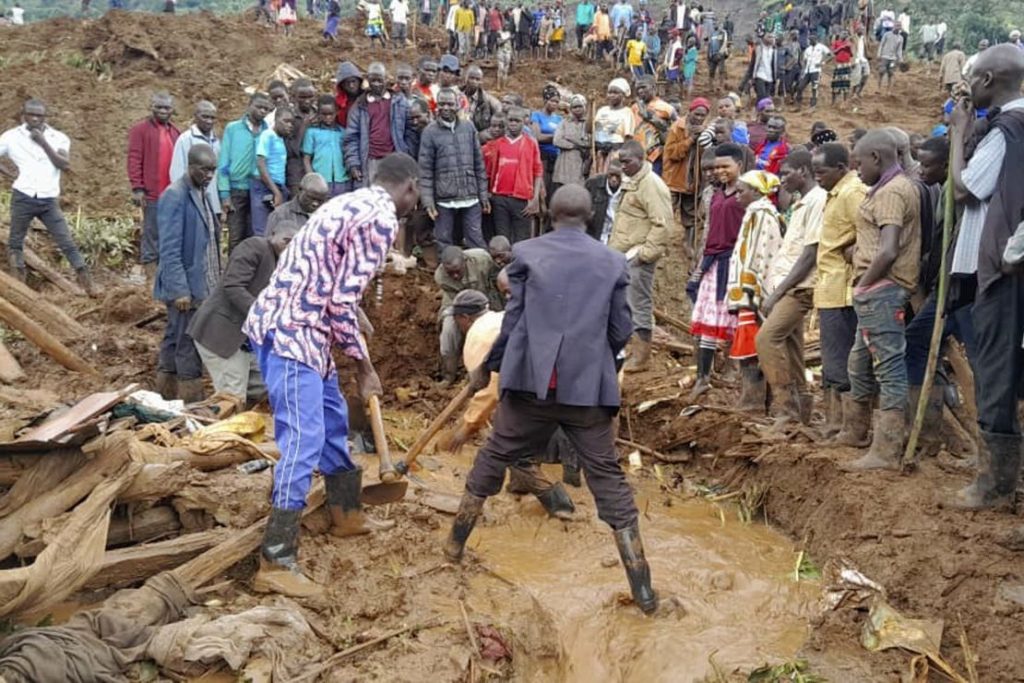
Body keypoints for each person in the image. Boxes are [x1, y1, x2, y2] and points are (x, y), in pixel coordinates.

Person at [443, 184, 658, 615]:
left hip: (530, 386)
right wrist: (593, 360)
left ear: (550, 214)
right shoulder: (613, 262)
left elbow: (515, 322)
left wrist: (489, 367)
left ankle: (452, 548)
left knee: (495, 455)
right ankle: (644, 593)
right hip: (586, 391)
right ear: (590, 216)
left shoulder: (525, 253)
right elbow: (622, 328)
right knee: (608, 478)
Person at [242, 153, 420, 597]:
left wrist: (353, 311)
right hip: (292, 332)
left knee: (333, 421)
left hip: (305, 328)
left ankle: (346, 512)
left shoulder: (347, 202)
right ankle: (276, 559)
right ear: (410, 188)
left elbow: (327, 276)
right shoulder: (381, 220)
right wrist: (365, 368)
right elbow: (338, 301)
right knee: (302, 439)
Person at [947, 45, 1024, 509]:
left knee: (996, 367)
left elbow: (964, 188)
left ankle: (993, 487)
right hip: (1007, 260)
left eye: (972, 77)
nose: (966, 84)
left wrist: (958, 135)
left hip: (1001, 267)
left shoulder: (1009, 127)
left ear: (990, 80)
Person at [438, 288, 578, 515]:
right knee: (539, 439)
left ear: (462, 319)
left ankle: (562, 507)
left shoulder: (479, 336)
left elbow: (492, 390)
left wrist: (467, 427)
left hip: (540, 390)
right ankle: (524, 486)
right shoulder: (499, 318)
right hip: (568, 382)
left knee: (513, 450)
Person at [834, 130, 921, 470]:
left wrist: (864, 286)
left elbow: (888, 249)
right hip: (876, 289)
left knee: (888, 367)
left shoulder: (892, 192)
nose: (856, 172)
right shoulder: (888, 188)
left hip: (882, 290)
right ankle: (855, 430)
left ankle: (885, 452)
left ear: (876, 158)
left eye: (858, 164)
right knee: (859, 362)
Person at [188, 221, 300, 415]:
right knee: (232, 398)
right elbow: (233, 286)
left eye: (295, 244)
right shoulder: (255, 246)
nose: (289, 246)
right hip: (221, 336)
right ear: (272, 234)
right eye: (286, 240)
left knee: (268, 383)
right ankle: (214, 436)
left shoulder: (285, 265)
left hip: (245, 341)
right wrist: (263, 314)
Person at [0, 99, 96, 295]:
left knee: (66, 241)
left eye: (39, 115)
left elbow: (63, 164)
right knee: (15, 242)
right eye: (31, 114)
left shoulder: (58, 137)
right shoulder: (11, 137)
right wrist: (10, 174)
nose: (35, 118)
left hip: (48, 199)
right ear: (23, 115)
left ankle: (89, 284)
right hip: (23, 196)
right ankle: (20, 287)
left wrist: (43, 142)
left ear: (45, 117)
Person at [756, 150, 826, 422]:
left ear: (804, 172)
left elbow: (810, 254)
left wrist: (777, 292)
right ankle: (801, 411)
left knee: (767, 339)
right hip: (792, 285)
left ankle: (785, 409)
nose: (781, 178)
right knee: (792, 348)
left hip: (800, 288)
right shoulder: (801, 202)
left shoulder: (817, 201)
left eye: (786, 173)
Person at [152, 144, 220, 404]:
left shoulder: (201, 192)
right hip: (185, 286)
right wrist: (180, 289)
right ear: (190, 167)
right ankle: (192, 398)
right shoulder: (175, 195)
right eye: (205, 170)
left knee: (174, 337)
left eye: (213, 170)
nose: (210, 175)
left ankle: (165, 395)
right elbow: (169, 248)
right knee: (188, 341)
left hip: (201, 281)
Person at [811, 142, 865, 437]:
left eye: (821, 172)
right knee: (832, 359)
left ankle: (846, 427)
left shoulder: (851, 193)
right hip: (830, 286)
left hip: (842, 289)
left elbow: (870, 230)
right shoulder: (835, 193)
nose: (816, 177)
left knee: (840, 359)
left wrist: (854, 251)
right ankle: (835, 423)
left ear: (841, 168)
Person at [687, 143, 746, 398]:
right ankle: (703, 376)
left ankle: (736, 371)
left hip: (734, 264)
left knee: (735, 319)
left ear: (739, 166)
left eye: (726, 166)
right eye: (717, 167)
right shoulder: (716, 194)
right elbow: (711, 231)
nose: (720, 171)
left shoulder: (746, 196)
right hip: (712, 261)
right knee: (709, 321)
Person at [608, 140, 672, 372]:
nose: (622, 166)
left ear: (641, 159)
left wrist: (644, 255)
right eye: (620, 161)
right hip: (625, 254)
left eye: (627, 162)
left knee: (639, 304)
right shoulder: (634, 180)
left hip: (638, 255)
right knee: (625, 303)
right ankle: (629, 348)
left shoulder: (651, 185)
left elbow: (663, 224)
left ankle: (642, 356)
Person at [725, 170, 782, 412]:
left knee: (751, 349)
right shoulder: (755, 214)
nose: (737, 196)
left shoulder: (762, 216)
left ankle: (753, 403)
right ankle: (757, 401)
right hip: (748, 292)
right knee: (751, 347)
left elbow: (758, 258)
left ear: (757, 192)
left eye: (741, 191)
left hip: (752, 293)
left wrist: (751, 292)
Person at [418, 88, 491, 251]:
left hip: (470, 195)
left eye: (450, 104)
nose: (445, 108)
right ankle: (448, 273)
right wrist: (428, 202)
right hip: (444, 198)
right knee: (444, 240)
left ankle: (482, 273)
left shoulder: (468, 127)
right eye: (442, 104)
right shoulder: (430, 132)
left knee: (475, 239)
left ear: (457, 105)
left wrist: (483, 195)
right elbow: (425, 171)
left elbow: (479, 164)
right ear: (436, 106)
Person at [128, 92, 181, 277]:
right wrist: (137, 187)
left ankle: (165, 276)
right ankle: (150, 279)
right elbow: (134, 158)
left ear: (172, 110)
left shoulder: (175, 132)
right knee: (151, 234)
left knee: (169, 234)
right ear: (151, 107)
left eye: (166, 107)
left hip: (172, 194)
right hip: (151, 193)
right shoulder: (140, 130)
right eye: (158, 107)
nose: (162, 111)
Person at [435, 246, 502, 382]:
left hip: (487, 300)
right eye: (450, 273)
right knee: (449, 329)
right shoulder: (440, 276)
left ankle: (490, 371)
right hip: (458, 304)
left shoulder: (482, 259)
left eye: (457, 271)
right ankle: (449, 374)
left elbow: (498, 281)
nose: (455, 276)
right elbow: (458, 304)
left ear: (464, 261)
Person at [344, 63, 413, 191]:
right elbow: (351, 137)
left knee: (395, 197)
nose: (376, 84)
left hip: (394, 158)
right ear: (367, 80)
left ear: (386, 79)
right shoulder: (359, 106)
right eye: (372, 80)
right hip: (370, 160)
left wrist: (407, 153)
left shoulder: (399, 102)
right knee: (372, 197)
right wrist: (353, 163)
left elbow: (410, 130)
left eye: (379, 80)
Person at [218, 93, 272, 255]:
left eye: (266, 109)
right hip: (236, 189)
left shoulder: (268, 132)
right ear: (249, 106)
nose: (262, 111)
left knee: (254, 234)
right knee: (235, 236)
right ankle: (232, 276)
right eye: (259, 107)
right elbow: (223, 162)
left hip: (258, 189)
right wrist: (225, 193)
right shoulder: (233, 128)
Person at [484, 107, 543, 244]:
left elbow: (538, 171)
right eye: (510, 120)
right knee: (502, 238)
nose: (513, 124)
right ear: (506, 121)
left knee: (522, 239)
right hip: (500, 198)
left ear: (524, 122)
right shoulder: (497, 144)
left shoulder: (531, 143)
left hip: (522, 199)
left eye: (517, 121)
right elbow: (489, 171)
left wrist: (535, 198)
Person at [663, 97, 710, 248]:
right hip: (674, 178)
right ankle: (661, 244)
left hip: (693, 180)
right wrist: (690, 140)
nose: (699, 118)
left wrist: (702, 139)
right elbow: (672, 153)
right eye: (697, 114)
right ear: (690, 112)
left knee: (691, 214)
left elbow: (707, 156)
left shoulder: (706, 131)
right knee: (667, 212)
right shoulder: (677, 128)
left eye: (703, 115)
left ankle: (688, 244)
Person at [170, 101, 221, 215]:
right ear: (195, 116)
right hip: (192, 200)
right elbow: (177, 171)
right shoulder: (185, 139)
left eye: (212, 118)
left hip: (213, 200)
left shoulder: (216, 141)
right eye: (205, 116)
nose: (209, 121)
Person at [251, 106, 295, 238]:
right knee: (262, 230)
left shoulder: (280, 139)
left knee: (275, 229)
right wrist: (276, 192)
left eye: (292, 122)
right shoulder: (267, 135)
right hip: (264, 187)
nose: (289, 125)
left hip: (277, 187)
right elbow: (260, 163)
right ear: (276, 120)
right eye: (285, 121)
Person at [302, 96, 350, 197]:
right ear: (318, 114)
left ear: (336, 112)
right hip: (321, 180)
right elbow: (306, 158)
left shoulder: (343, 132)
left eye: (330, 114)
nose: (328, 117)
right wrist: (312, 178)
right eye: (324, 114)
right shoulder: (312, 132)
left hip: (342, 180)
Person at [631, 77, 676, 176]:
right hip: (636, 154)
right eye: (638, 88)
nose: (640, 91)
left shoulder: (666, 108)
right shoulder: (634, 107)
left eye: (643, 87)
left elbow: (676, 129)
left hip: (655, 154)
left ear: (653, 88)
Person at [283, 79, 319, 199]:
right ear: (294, 97)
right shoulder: (289, 117)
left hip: (318, 169)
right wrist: (304, 127)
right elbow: (292, 150)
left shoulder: (319, 114)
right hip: (296, 173)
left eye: (311, 96)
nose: (307, 101)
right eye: (302, 97)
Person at [266, 172, 330, 238]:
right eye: (311, 198)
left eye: (320, 200)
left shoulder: (328, 216)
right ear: (300, 190)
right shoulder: (280, 214)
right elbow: (268, 245)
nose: (315, 204)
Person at [593, 79, 635, 174]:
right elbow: (591, 130)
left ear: (623, 95)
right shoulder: (602, 110)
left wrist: (621, 156)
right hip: (599, 152)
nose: (611, 95)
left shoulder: (627, 112)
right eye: (609, 92)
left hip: (615, 153)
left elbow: (628, 138)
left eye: (615, 92)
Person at [531, 85, 564, 202]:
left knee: (553, 189)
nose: (554, 104)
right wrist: (555, 137)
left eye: (557, 102)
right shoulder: (536, 115)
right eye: (552, 101)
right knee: (542, 186)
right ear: (545, 100)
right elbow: (537, 136)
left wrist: (553, 138)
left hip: (556, 156)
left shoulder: (559, 119)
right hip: (542, 156)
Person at [552, 94, 591, 189]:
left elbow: (588, 142)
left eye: (580, 106)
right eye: (574, 107)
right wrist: (575, 146)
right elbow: (557, 141)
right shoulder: (564, 123)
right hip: (565, 161)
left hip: (581, 161)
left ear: (584, 107)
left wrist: (569, 138)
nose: (577, 109)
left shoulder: (588, 124)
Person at [584, 160, 623, 242]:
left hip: (615, 238)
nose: (614, 179)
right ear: (607, 172)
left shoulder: (628, 190)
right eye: (611, 175)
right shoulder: (593, 184)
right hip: (594, 235)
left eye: (617, 176)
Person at [463, 65, 502, 134]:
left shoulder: (488, 101)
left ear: (481, 81)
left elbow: (500, 120)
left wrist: (483, 136)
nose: (474, 82)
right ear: (465, 78)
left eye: (477, 79)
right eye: (471, 78)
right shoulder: (456, 95)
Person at [334, 61, 364, 128]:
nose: (351, 85)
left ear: (359, 81)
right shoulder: (338, 102)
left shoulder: (367, 98)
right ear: (342, 85)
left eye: (353, 81)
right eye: (347, 83)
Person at [876, 23, 903, 93]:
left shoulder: (900, 38)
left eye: (899, 27)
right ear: (893, 26)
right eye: (896, 26)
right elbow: (881, 44)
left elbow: (899, 50)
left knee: (891, 73)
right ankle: (878, 88)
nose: (897, 28)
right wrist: (879, 54)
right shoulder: (887, 34)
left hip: (893, 58)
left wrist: (900, 59)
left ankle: (889, 90)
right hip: (885, 56)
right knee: (881, 72)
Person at [752, 34, 777, 102]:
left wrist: (775, 78)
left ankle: (760, 111)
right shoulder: (758, 49)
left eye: (773, 37)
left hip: (769, 77)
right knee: (761, 96)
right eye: (769, 37)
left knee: (766, 98)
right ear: (764, 38)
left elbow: (774, 66)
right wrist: (751, 78)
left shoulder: (774, 51)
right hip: (760, 75)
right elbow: (752, 64)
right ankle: (759, 110)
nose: (772, 39)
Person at [831, 30, 853, 106]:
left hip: (846, 64)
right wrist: (842, 47)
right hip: (839, 64)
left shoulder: (848, 43)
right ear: (840, 35)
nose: (845, 35)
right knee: (835, 84)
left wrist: (848, 47)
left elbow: (851, 54)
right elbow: (833, 52)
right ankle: (833, 102)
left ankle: (844, 102)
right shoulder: (836, 42)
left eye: (846, 34)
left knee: (846, 84)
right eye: (843, 34)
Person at [707, 21, 730, 90]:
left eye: (716, 24)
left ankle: (721, 86)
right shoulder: (712, 34)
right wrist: (709, 55)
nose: (715, 26)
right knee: (711, 71)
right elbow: (709, 45)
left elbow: (724, 43)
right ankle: (711, 86)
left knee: (721, 70)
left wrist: (720, 53)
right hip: (712, 55)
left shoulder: (722, 33)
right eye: (714, 24)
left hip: (720, 55)